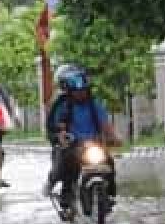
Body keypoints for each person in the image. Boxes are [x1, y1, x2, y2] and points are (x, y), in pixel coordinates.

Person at [44, 66, 120, 210]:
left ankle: (110, 194)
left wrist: (114, 138)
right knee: (67, 162)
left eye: (83, 90)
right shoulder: (63, 107)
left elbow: (106, 125)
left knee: (109, 162)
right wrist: (62, 137)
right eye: (77, 91)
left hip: (94, 145)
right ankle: (66, 195)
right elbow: (59, 128)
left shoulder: (94, 105)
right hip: (74, 146)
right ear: (70, 92)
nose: (81, 93)